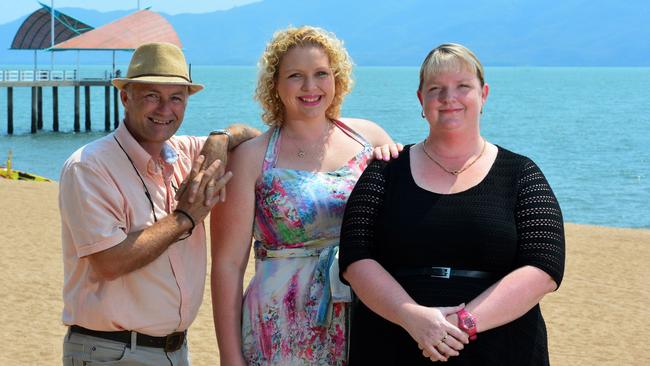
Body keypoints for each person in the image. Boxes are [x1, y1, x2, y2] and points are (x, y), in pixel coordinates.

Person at [339, 43, 566, 365]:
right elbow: (355, 258)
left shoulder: (521, 173)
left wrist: (461, 325)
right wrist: (414, 319)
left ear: (483, 94)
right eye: (436, 89)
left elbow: (544, 266)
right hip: (392, 343)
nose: (449, 98)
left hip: (502, 349)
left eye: (463, 86)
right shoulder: (384, 171)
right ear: (421, 99)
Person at [210, 26, 401, 365]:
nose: (310, 87)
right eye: (296, 76)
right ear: (275, 85)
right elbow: (227, 265)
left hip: (364, 312)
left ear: (337, 78)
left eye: (321, 74)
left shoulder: (369, 138)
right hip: (280, 323)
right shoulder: (252, 157)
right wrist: (229, 355)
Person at [59, 42, 259, 366]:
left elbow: (254, 136)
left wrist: (220, 137)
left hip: (175, 352)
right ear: (126, 97)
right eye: (152, 95)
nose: (165, 109)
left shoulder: (188, 152)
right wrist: (185, 217)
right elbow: (109, 262)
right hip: (111, 353)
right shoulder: (89, 166)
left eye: (176, 98)